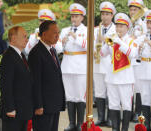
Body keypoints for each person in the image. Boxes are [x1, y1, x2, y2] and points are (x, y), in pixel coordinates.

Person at [101, 13, 138, 131]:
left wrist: (119, 42)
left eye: (122, 26)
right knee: (113, 104)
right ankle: (115, 129)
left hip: (126, 77)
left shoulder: (131, 41)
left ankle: (124, 129)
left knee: (126, 105)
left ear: (127, 28)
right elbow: (102, 54)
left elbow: (132, 54)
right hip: (112, 77)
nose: (118, 29)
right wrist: (106, 44)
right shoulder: (112, 38)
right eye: (117, 26)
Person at [28, 20, 65, 131]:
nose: (57, 36)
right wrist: (38, 105)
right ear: (44, 34)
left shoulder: (52, 50)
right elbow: (35, 82)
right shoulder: (36, 52)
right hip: (43, 106)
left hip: (54, 104)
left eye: (58, 32)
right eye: (54, 32)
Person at [56, 3, 87, 131]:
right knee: (70, 96)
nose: (74, 19)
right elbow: (58, 49)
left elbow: (87, 46)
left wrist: (75, 38)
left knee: (80, 96)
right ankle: (71, 123)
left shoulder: (86, 30)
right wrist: (62, 43)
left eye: (76, 16)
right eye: (72, 16)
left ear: (82, 18)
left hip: (80, 66)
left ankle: (80, 123)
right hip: (67, 65)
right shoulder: (64, 31)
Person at [0, 26, 33, 131]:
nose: (27, 40)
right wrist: (10, 108)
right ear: (13, 38)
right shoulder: (9, 57)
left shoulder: (20, 55)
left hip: (22, 110)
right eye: (24, 36)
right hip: (13, 112)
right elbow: (6, 85)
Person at [93, 1, 116, 127]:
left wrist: (105, 39)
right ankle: (101, 118)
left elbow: (116, 43)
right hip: (97, 65)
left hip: (110, 65)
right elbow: (90, 44)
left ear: (112, 15)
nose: (105, 17)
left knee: (111, 92)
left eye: (107, 14)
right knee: (100, 92)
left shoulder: (116, 28)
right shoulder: (96, 29)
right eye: (103, 14)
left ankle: (111, 119)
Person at [127, 0, 147, 122]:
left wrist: (133, 40)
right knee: (129, 87)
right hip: (128, 60)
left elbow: (143, 39)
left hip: (138, 60)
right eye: (131, 9)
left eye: (135, 9)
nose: (133, 12)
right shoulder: (127, 24)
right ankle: (129, 111)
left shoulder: (144, 24)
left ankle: (138, 112)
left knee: (138, 88)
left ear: (140, 10)